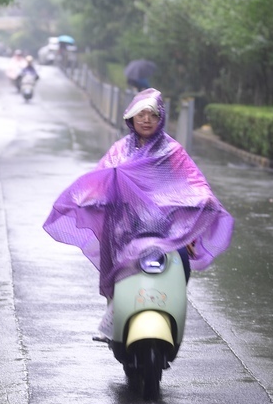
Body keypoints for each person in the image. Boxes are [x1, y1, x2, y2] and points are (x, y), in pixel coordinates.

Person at [43, 88, 234, 331]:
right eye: (141, 114)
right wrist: (88, 199)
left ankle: (170, 306)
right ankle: (115, 311)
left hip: (167, 229)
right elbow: (100, 178)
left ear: (160, 118)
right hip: (126, 226)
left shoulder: (172, 152)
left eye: (152, 115)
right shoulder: (120, 150)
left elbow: (194, 183)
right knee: (116, 264)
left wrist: (203, 203)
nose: (146, 120)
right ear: (131, 117)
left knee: (182, 261)